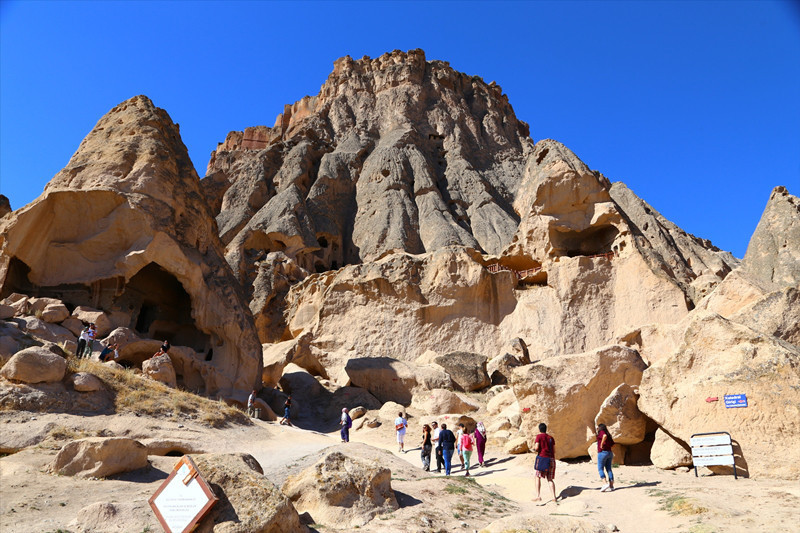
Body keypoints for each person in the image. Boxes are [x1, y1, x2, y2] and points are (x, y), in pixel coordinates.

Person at [532, 422, 557, 504]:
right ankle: (553, 497)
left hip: (542, 459)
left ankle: (538, 496)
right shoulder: (551, 438)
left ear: (539, 429)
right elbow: (554, 450)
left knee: (537, 476)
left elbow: (536, 447)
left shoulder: (539, 436)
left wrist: (534, 449)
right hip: (551, 459)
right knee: (550, 479)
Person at [596, 423, 615, 492]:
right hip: (609, 452)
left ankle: (605, 484)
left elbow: (604, 436)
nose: (597, 429)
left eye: (598, 427)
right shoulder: (609, 435)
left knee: (600, 468)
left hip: (602, 452)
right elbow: (613, 444)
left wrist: (601, 445)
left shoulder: (602, 432)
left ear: (600, 428)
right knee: (609, 469)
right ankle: (611, 486)